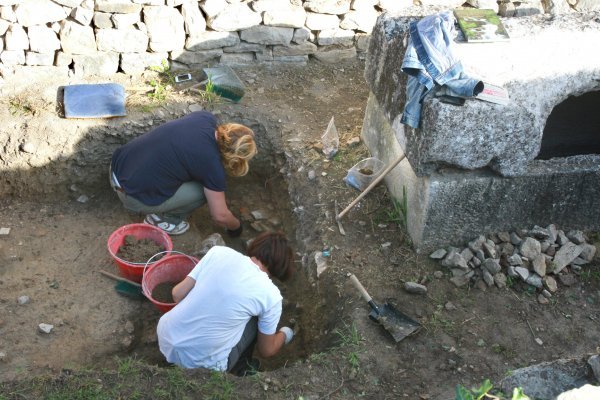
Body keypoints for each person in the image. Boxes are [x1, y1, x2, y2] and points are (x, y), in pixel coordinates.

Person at [156, 231, 297, 375]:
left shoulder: (218, 253)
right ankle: (241, 368)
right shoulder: (271, 296)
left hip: (166, 336)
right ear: (280, 268)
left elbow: (177, 293)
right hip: (203, 364)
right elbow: (266, 350)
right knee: (256, 321)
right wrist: (285, 334)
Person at [109, 111, 257, 236]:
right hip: (131, 196)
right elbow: (220, 216)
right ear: (234, 157)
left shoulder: (204, 118)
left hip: (117, 167)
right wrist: (236, 227)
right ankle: (165, 220)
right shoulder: (211, 165)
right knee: (203, 191)